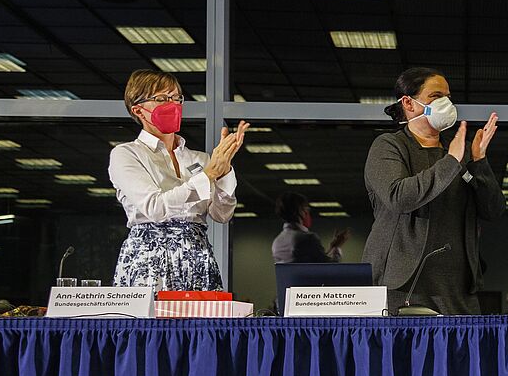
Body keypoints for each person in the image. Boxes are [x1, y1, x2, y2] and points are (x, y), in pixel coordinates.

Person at [363, 67, 505, 314]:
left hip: (457, 288)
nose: (446, 104)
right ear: (408, 102)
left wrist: (479, 161)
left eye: (448, 97)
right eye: (436, 96)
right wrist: (452, 161)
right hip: (402, 285)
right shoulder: (389, 146)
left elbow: (493, 210)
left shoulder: (458, 150)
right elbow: (400, 197)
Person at [109, 69, 249, 290]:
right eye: (162, 99)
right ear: (138, 110)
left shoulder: (199, 159)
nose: (172, 104)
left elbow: (222, 214)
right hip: (149, 259)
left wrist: (223, 170)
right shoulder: (127, 154)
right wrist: (209, 175)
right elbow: (154, 207)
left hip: (197, 257)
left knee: (201, 324)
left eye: (176, 98)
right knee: (152, 324)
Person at [271, 192, 349, 264]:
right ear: (300, 211)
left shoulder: (277, 242)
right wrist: (337, 248)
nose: (308, 213)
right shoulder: (308, 238)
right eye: (307, 209)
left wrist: (331, 247)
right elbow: (329, 267)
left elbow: (311, 261)